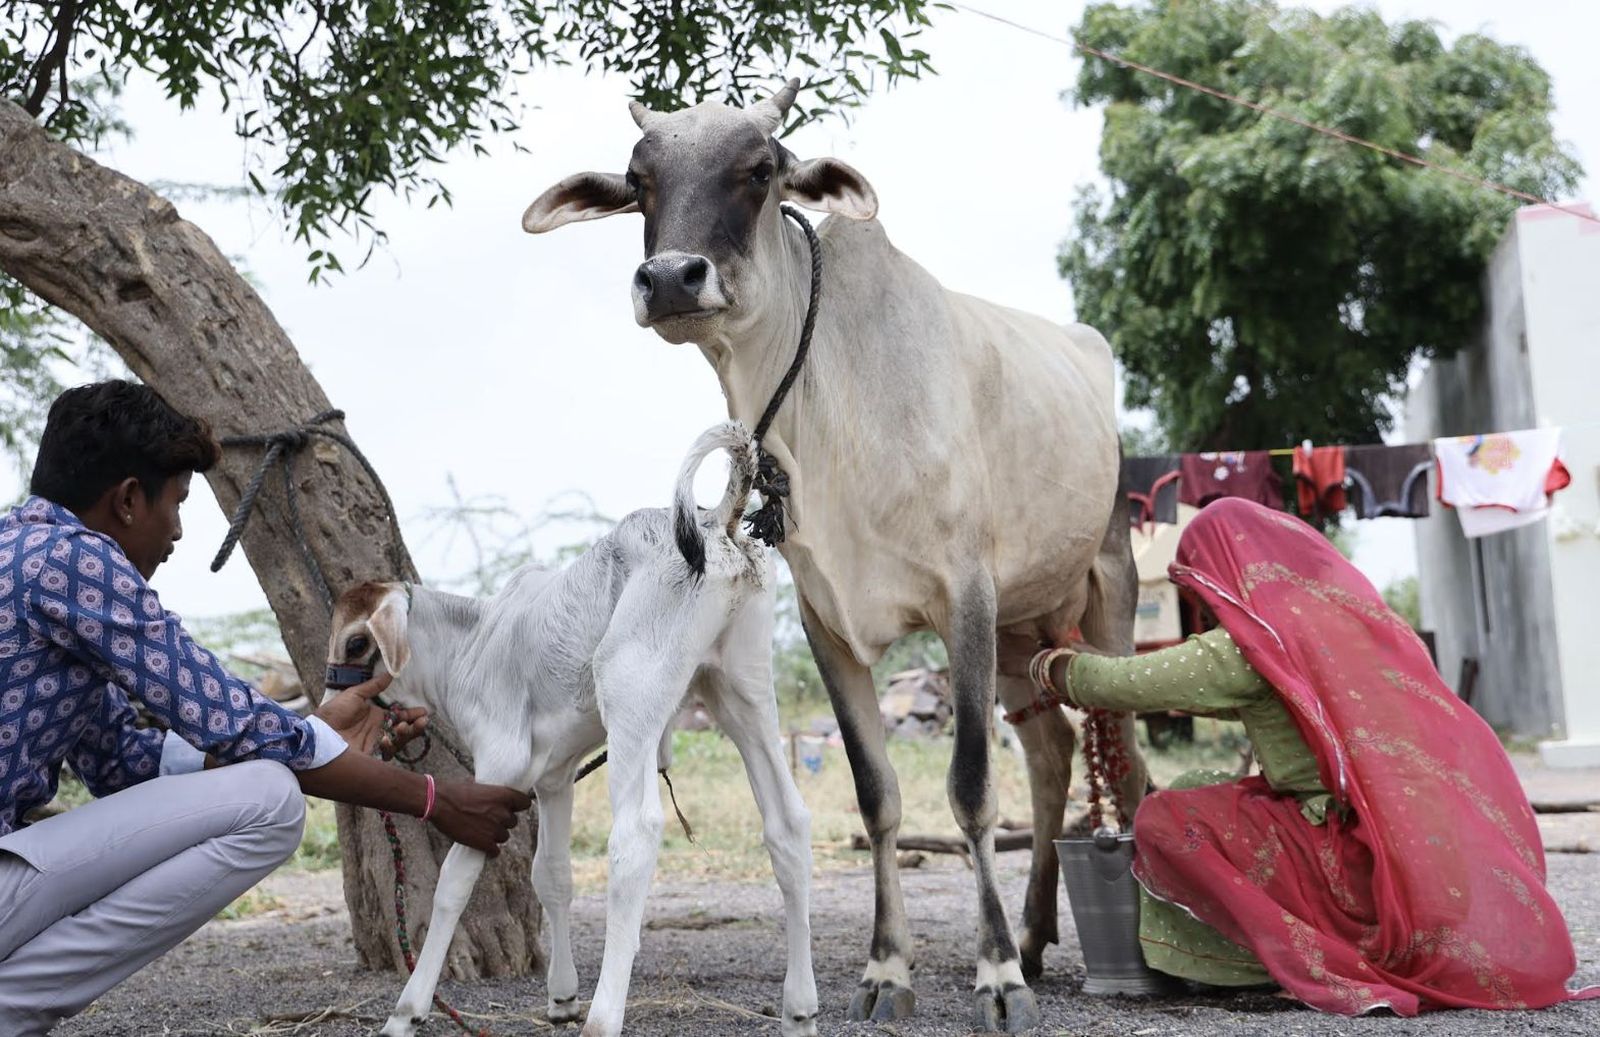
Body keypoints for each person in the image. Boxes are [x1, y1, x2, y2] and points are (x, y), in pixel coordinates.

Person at [0, 381, 533, 1034]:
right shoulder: (74, 562)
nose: (177, 531)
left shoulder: (21, 552)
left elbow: (122, 762)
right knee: (271, 800)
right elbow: (241, 726)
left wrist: (314, 733)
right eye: (177, 502)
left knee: (266, 772)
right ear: (130, 500)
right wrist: (436, 798)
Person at [998, 497, 1596, 1015]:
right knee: (1210, 781)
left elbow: (1115, 685)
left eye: (1201, 578)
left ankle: (1271, 960)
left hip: (1347, 867)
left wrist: (1043, 661)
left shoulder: (1245, 652)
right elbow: (1258, 708)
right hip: (1411, 863)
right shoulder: (1353, 632)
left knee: (1166, 818)